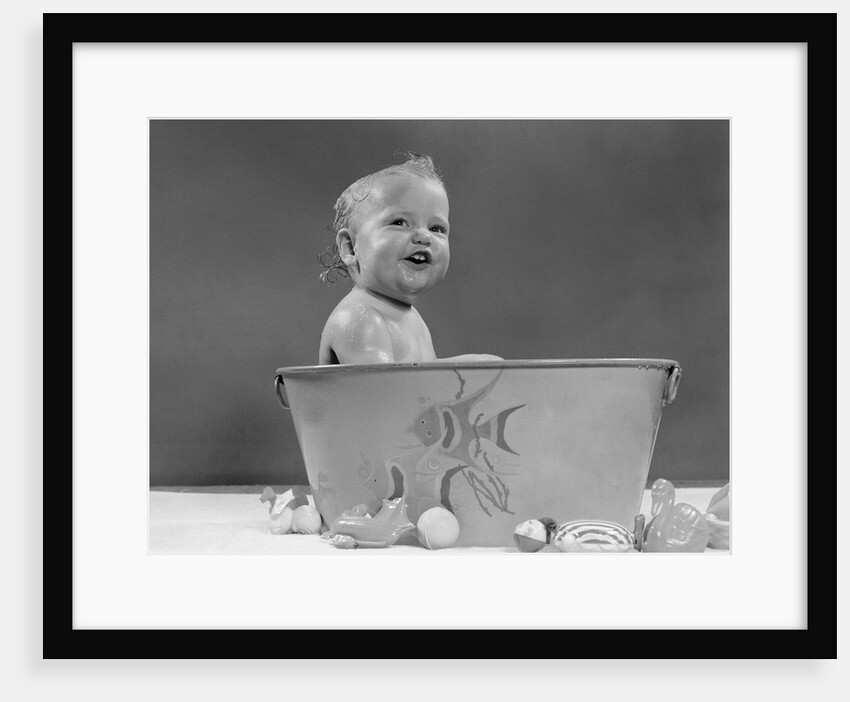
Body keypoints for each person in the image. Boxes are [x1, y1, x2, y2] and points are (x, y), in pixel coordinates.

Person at [318, 153, 502, 365]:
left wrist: (477, 365)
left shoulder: (408, 317)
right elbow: (386, 384)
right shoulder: (360, 318)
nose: (424, 236)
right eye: (399, 222)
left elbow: (421, 373)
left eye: (436, 228)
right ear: (350, 247)